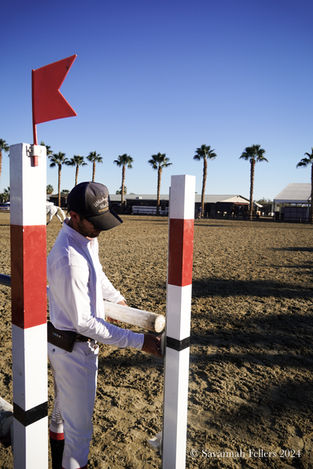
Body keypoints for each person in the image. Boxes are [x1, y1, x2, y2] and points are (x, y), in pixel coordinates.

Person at [47, 181, 162, 469]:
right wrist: (139, 342)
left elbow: (98, 273)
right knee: (80, 434)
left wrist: (118, 301)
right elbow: (84, 322)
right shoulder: (68, 259)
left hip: (72, 344)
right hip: (74, 349)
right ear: (74, 216)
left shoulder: (85, 238)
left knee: (62, 415)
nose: (100, 228)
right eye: (94, 221)